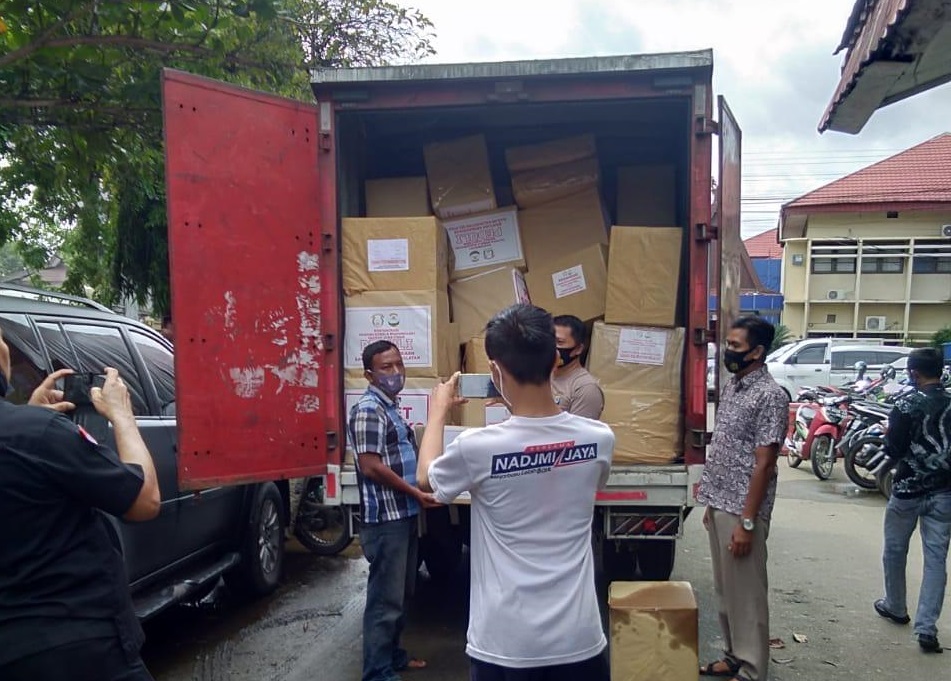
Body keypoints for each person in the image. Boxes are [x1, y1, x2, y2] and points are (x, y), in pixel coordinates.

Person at [417, 304, 614, 681]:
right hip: (580, 640)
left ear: (495, 369)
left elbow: (427, 479)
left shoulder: (478, 448)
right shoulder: (599, 439)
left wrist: (438, 411)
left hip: (505, 644)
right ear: (555, 359)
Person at [0, 328, 161, 681]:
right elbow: (144, 500)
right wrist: (122, 416)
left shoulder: (30, 431)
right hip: (81, 646)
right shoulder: (38, 433)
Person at [697, 316, 789, 681]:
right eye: (728, 345)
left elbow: (764, 464)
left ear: (758, 351)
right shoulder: (735, 386)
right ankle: (733, 656)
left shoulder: (770, 395)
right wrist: (711, 503)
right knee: (725, 591)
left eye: (735, 347)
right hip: (721, 502)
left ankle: (752, 670)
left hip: (742, 510)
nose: (728, 353)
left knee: (747, 595)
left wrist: (747, 522)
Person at [348, 340, 435, 681]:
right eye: (387, 367)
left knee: (402, 593)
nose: (396, 372)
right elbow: (370, 466)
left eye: (399, 364)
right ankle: (377, 672)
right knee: (385, 600)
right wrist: (413, 490)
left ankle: (394, 655)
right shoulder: (369, 409)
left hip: (404, 513)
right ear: (369, 374)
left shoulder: (390, 407)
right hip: (386, 519)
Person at [874, 347, 951, 654]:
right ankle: (927, 628)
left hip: (907, 489)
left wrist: (886, 437)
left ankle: (895, 606)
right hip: (944, 492)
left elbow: (893, 449)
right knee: (936, 560)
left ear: (914, 373)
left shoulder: (905, 405)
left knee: (895, 549)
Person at [551, 314, 604, 419]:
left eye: (559, 342)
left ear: (578, 349)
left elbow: (579, 433)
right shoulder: (538, 375)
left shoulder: (585, 388)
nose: (551, 347)